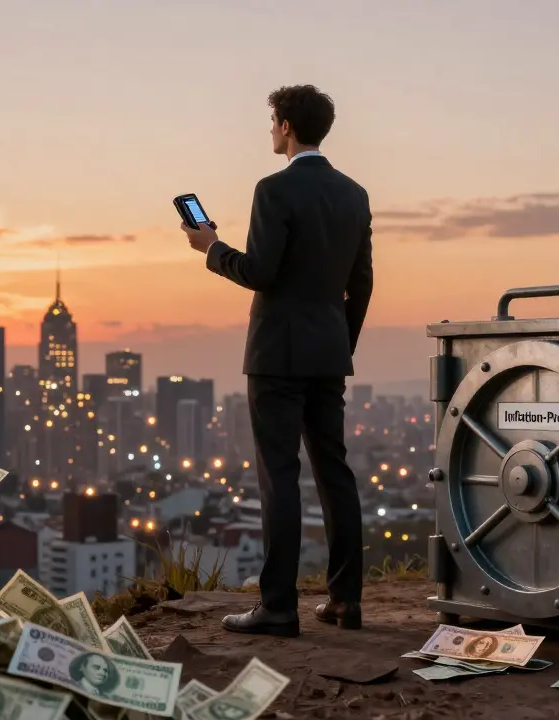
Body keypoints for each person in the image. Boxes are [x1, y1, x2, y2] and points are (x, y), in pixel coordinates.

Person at [181, 84, 372, 637]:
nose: (269, 131)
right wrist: (341, 344)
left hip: (276, 356)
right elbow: (361, 283)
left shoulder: (273, 189)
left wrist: (211, 249)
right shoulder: (354, 194)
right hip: (328, 355)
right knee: (335, 474)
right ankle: (345, 601)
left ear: (287, 126)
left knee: (280, 478)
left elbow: (260, 272)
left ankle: (278, 607)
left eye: (272, 122)